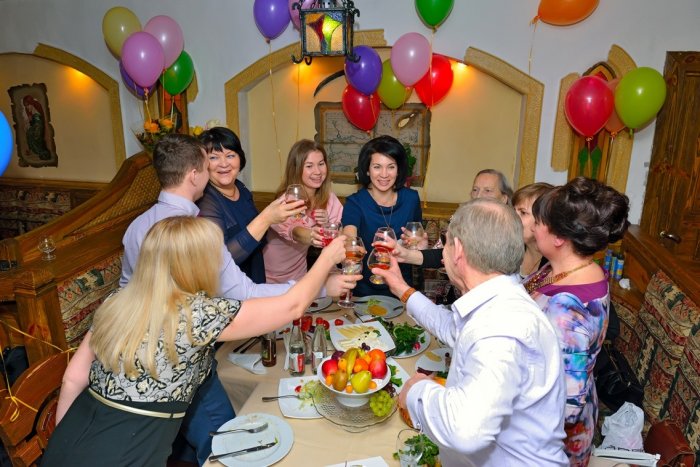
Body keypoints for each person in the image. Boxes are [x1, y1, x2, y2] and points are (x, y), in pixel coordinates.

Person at [119, 134, 360, 465]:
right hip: (186, 357)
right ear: (195, 174)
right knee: (225, 447)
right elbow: (244, 294)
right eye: (209, 162)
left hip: (136, 363)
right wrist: (320, 283)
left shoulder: (137, 227)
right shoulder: (199, 233)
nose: (217, 167)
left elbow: (125, 289)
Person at [43, 216, 347, 466]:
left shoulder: (117, 299)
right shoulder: (197, 315)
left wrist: (63, 440)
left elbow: (73, 378)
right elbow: (291, 308)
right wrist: (326, 259)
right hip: (128, 453)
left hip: (68, 441)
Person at [372, 199, 567, 466]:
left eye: (446, 242)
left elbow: (466, 431)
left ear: (459, 250)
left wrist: (418, 392)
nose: (442, 251)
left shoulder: (502, 325)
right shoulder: (498, 301)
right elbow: (451, 328)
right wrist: (400, 287)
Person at [524, 177, 630, 466]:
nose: (533, 228)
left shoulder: (566, 308)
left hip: (549, 442)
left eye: (538, 222)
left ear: (559, 237)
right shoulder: (569, 268)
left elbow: (568, 404)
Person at [196, 127, 303, 283]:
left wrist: (280, 219)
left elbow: (257, 235)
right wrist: (266, 218)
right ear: (203, 163)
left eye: (230, 155)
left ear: (240, 158)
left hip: (254, 276)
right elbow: (220, 262)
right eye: (214, 157)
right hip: (231, 288)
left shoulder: (241, 188)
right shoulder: (206, 201)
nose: (224, 164)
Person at [342, 135, 422, 296]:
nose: (384, 174)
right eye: (377, 167)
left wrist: (420, 243)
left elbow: (416, 241)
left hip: (402, 289)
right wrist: (349, 245)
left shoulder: (411, 199)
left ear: (398, 170)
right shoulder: (355, 202)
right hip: (363, 291)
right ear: (367, 169)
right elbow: (349, 236)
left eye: (391, 167)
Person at [388, 168, 512, 270]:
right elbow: (441, 255)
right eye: (475, 190)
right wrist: (410, 253)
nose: (479, 195)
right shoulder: (461, 221)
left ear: (504, 198)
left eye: (488, 190)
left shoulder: (510, 231)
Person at [263, 139, 343, 282]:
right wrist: (313, 235)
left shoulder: (329, 198)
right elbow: (295, 231)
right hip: (270, 276)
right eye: (309, 166)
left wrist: (327, 224)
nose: (317, 171)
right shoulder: (285, 201)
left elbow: (339, 234)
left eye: (321, 164)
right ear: (296, 169)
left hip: (300, 274)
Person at [513, 182, 554, 279]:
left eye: (523, 212)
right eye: (513, 210)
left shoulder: (555, 263)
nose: (513, 217)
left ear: (544, 219)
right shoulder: (507, 249)